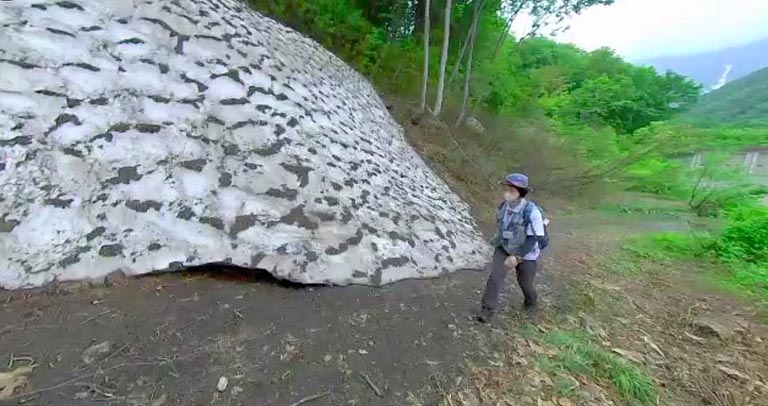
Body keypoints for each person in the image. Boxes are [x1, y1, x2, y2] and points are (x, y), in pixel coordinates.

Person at [477, 173, 546, 323]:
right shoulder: (503, 206)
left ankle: (531, 302)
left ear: (521, 193)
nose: (507, 192)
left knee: (525, 283)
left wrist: (517, 256)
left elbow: (533, 239)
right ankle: (487, 309)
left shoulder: (532, 212)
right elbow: (502, 228)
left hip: (526, 253)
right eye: (507, 188)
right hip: (504, 247)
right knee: (495, 276)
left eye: (512, 190)